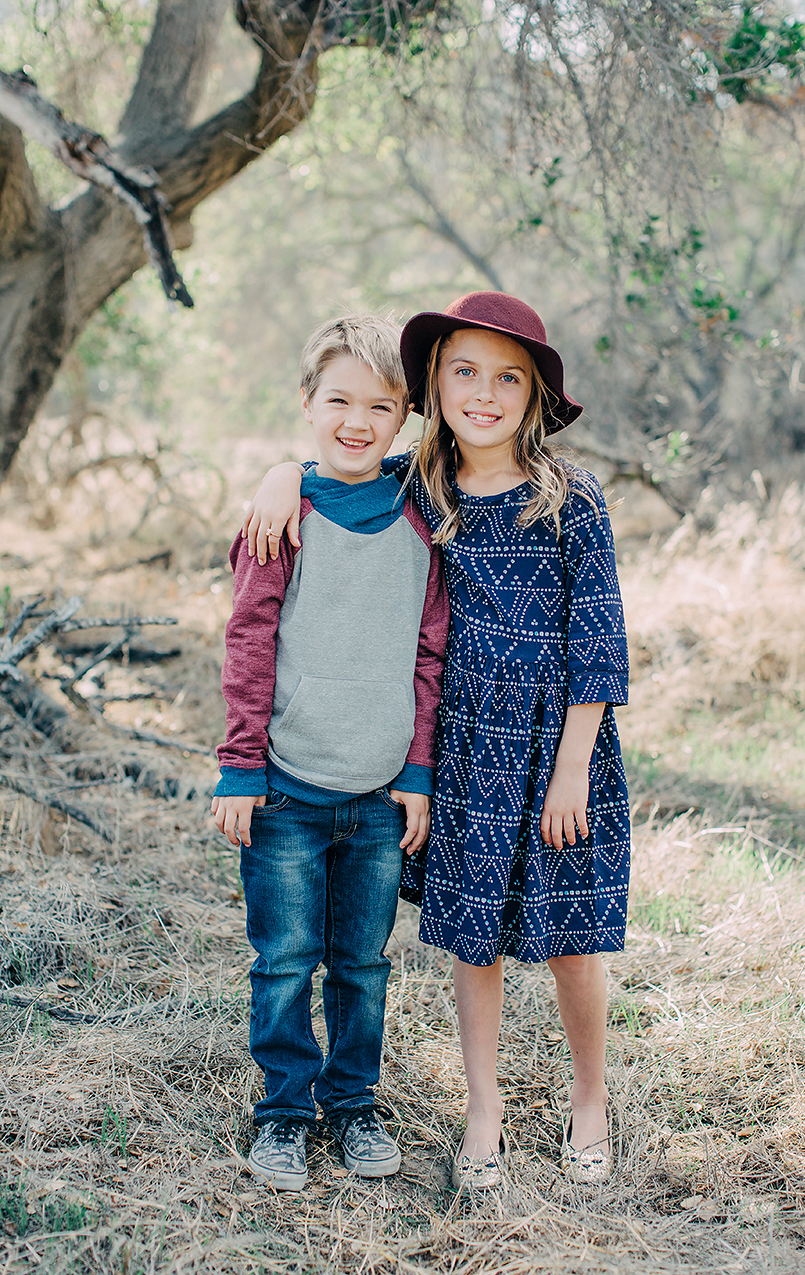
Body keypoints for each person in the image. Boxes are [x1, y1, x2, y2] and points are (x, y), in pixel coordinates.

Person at [242, 293, 630, 1189]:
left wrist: (573, 764)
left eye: (507, 379)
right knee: (473, 934)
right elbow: (342, 468)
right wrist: (280, 474)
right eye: (464, 372)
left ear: (535, 397)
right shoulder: (423, 482)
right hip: (462, 744)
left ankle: (589, 1096)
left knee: (573, 931)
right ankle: (484, 1109)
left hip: (557, 747)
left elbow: (599, 640)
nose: (483, 394)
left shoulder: (569, 496)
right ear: (435, 383)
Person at [212, 315, 449, 1192]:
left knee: (362, 963)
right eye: (338, 399)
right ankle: (282, 1111)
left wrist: (419, 772)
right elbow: (248, 641)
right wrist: (240, 765)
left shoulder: (423, 516)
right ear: (306, 403)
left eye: (381, 405)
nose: (357, 419)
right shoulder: (282, 516)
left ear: (406, 418)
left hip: (382, 794)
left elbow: (432, 656)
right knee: (282, 960)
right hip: (284, 788)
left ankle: (352, 1104)